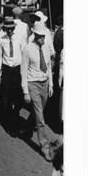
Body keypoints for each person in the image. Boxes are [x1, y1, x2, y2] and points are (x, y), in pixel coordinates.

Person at [21, 24, 54, 161]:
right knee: (40, 119)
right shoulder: (27, 49)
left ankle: (27, 127)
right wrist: (25, 91)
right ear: (35, 35)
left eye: (44, 36)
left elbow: (48, 65)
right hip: (33, 83)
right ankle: (44, 147)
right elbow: (23, 71)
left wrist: (50, 84)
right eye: (40, 37)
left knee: (38, 111)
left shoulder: (45, 47)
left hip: (44, 83)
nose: (43, 39)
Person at [0, 16, 25, 136]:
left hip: (17, 70)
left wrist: (24, 72)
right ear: (4, 29)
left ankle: (15, 118)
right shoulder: (1, 40)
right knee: (6, 98)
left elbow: (24, 54)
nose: (9, 31)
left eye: (11, 28)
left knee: (18, 98)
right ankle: (8, 123)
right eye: (7, 29)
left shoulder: (19, 39)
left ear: (14, 28)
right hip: (7, 70)